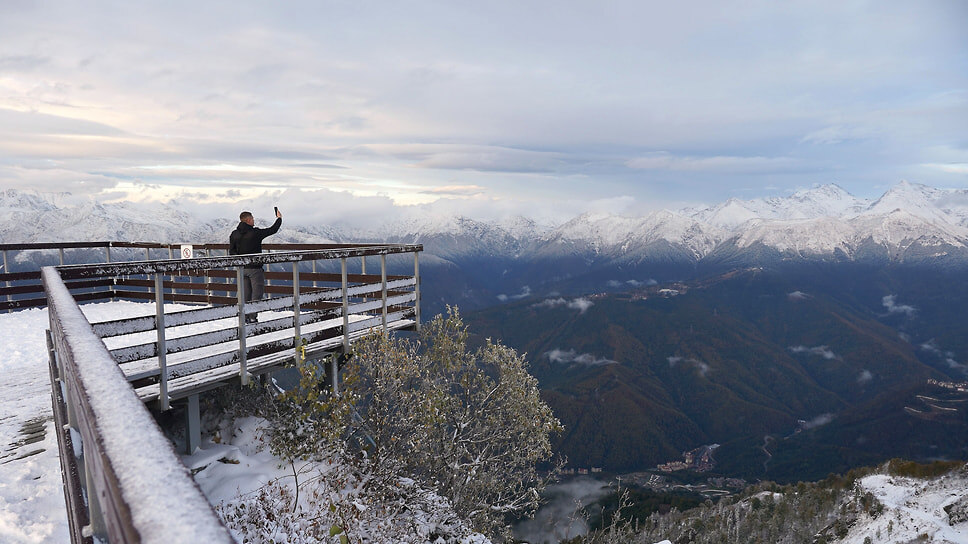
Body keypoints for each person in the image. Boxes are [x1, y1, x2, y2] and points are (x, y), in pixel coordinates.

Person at [229, 208, 282, 323]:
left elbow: (231, 252)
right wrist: (279, 218)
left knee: (245, 294)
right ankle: (252, 317)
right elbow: (272, 230)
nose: (254, 220)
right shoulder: (255, 233)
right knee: (257, 294)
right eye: (252, 218)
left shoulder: (234, 234)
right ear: (248, 220)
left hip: (242, 268)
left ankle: (245, 318)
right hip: (255, 268)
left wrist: (240, 261)